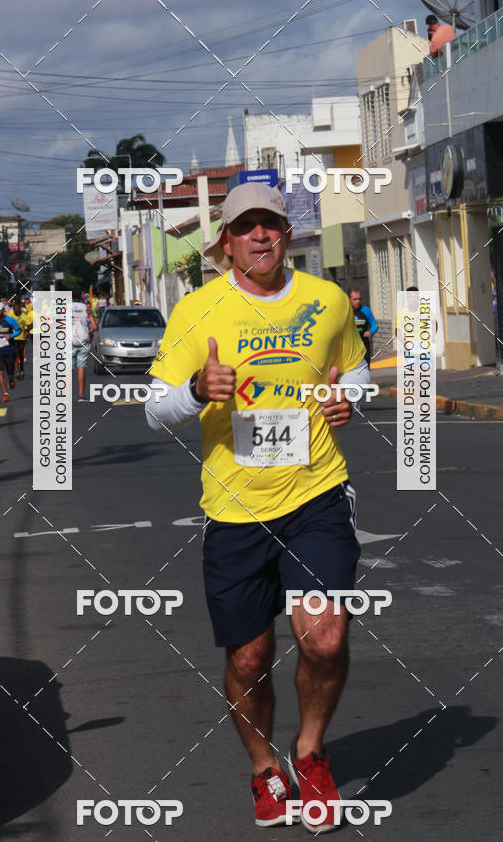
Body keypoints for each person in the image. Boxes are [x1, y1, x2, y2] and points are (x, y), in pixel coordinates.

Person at [145, 182, 371, 833]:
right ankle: (264, 768)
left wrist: (348, 400)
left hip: (315, 495)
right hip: (235, 510)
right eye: (245, 226)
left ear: (287, 233)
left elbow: (353, 371)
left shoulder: (326, 301)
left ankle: (311, 753)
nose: (260, 236)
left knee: (325, 637)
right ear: (225, 242)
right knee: (249, 659)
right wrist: (195, 388)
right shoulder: (197, 311)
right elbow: (156, 408)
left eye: (270, 223)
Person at [0, 302, 20, 402]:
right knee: (1, 372)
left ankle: (11, 379)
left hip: (9, 350)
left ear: (3, 311)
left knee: (10, 374)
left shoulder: (10, 320)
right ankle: (5, 393)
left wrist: (11, 336)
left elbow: (19, 330)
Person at [72, 288, 98, 401]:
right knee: (81, 368)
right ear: (81, 297)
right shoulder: (86, 309)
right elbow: (95, 326)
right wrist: (86, 333)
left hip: (69, 341)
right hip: (83, 342)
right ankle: (81, 395)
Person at [349, 287, 378, 366]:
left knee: (365, 371)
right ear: (349, 300)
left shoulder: (366, 310)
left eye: (359, 299)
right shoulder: (346, 311)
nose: (358, 301)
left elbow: (375, 325)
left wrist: (371, 331)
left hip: (364, 347)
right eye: (355, 299)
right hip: (350, 349)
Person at [9, 300, 30, 379]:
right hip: (12, 337)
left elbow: (30, 324)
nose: (17, 311)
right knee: (14, 353)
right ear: (13, 309)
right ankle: (17, 370)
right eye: (16, 309)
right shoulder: (10, 314)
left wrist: (27, 331)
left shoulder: (23, 315)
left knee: (20, 355)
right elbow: (5, 321)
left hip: (21, 337)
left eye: (19, 309)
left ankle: (21, 369)